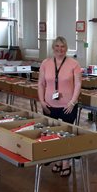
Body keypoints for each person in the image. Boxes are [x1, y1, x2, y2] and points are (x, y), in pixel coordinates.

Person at [37, 36, 82, 177]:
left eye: (62, 46)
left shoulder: (74, 64)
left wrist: (73, 101)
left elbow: (78, 84)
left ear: (66, 48)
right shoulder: (45, 63)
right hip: (49, 105)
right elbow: (41, 84)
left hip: (67, 106)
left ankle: (66, 162)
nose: (59, 49)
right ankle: (56, 160)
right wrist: (42, 101)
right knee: (52, 133)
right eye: (57, 46)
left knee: (66, 135)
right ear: (53, 47)